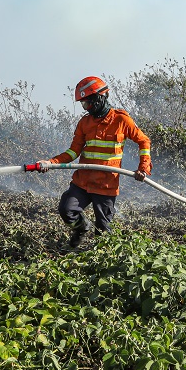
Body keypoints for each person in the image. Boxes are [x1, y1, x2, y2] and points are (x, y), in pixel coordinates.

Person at [37, 76, 152, 247]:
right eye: (83, 104)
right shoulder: (85, 123)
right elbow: (73, 151)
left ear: (99, 98)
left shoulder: (121, 120)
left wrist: (143, 168)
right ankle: (82, 228)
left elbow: (144, 141)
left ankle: (99, 263)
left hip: (106, 186)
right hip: (82, 182)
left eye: (87, 103)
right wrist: (51, 162)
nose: (86, 107)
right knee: (66, 210)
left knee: (103, 233)